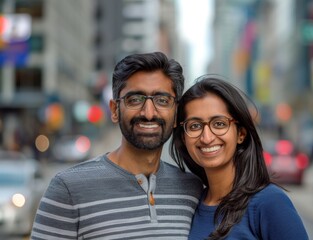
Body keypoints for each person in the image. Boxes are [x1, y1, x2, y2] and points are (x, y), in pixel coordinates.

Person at [31, 52, 203, 239]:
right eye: (135, 100)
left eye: (162, 100)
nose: (148, 113)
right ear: (114, 110)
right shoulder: (68, 189)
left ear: (176, 113)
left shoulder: (192, 190)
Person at [170, 76, 309, 239]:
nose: (206, 137)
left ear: (241, 134)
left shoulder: (269, 203)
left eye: (219, 124)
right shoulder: (189, 205)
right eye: (194, 126)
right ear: (184, 138)